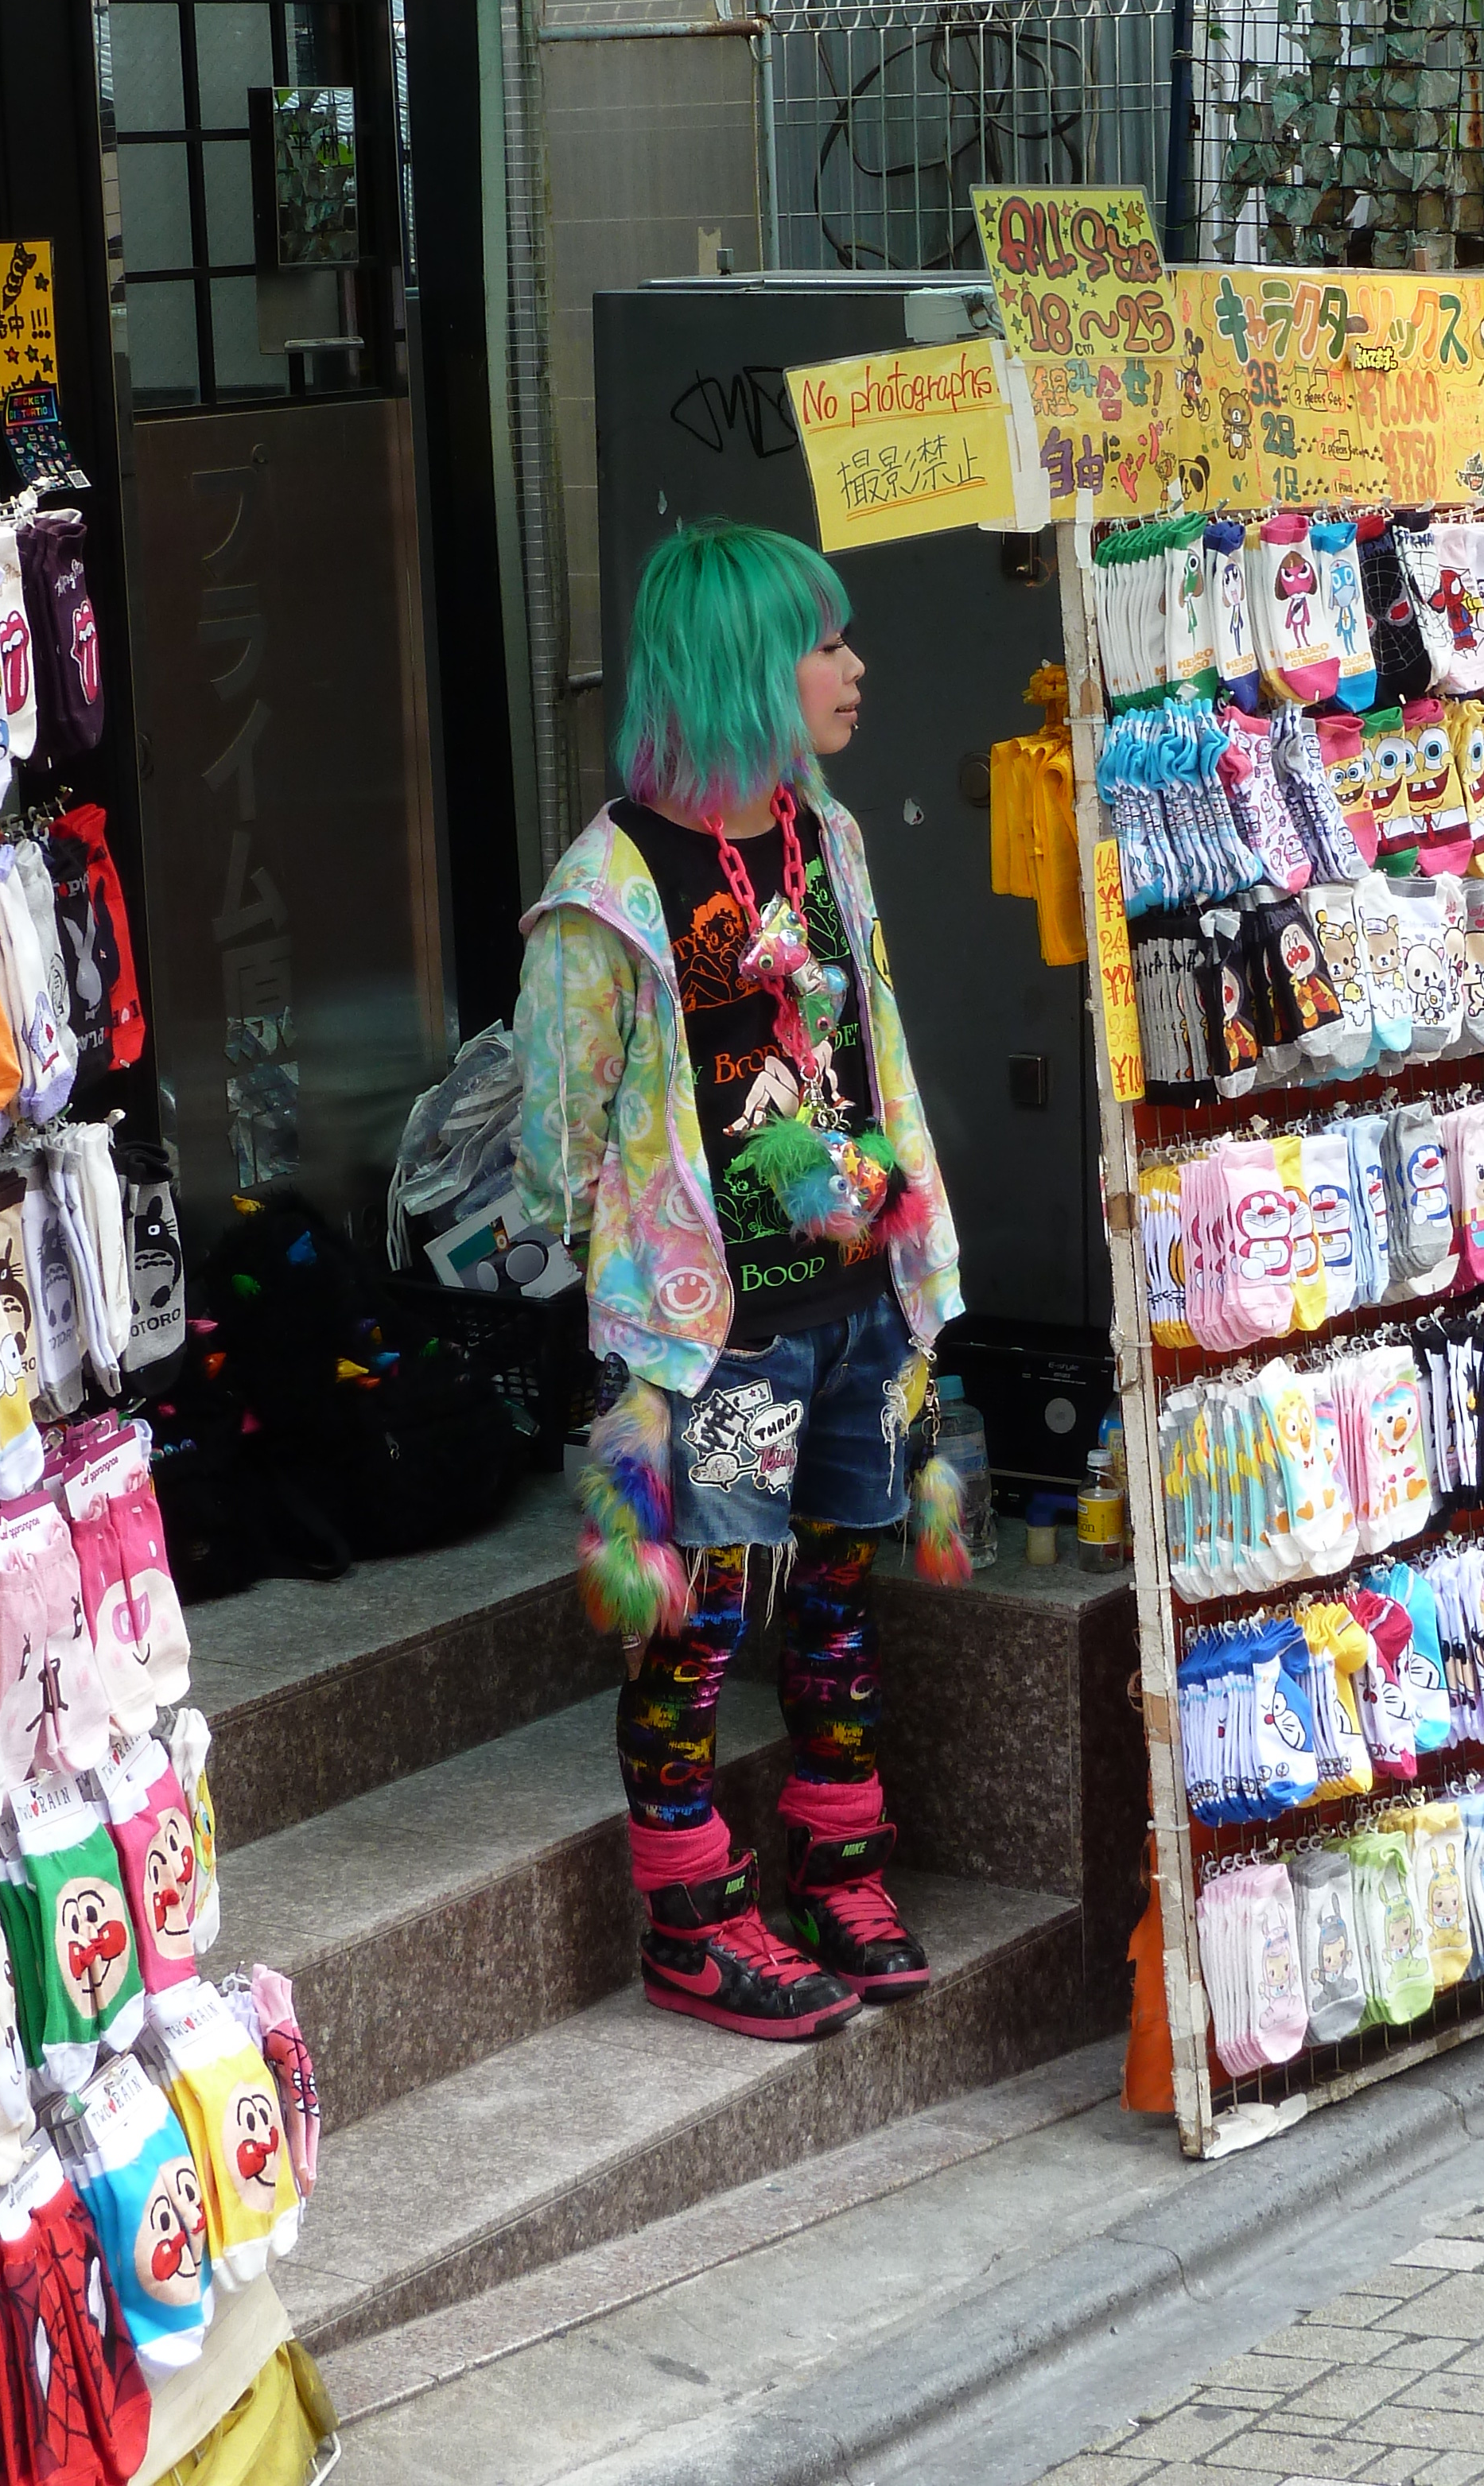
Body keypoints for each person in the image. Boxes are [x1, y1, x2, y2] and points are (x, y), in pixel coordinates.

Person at [515, 522, 961, 2042]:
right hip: (715, 1342)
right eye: (820, 645)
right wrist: (642, 1263)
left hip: (853, 1308)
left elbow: (871, 1053)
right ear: (736, 671)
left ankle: (840, 1859)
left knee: (837, 1591)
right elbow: (555, 1136)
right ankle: (690, 1915)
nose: (853, 668)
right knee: (695, 1624)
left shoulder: (819, 836)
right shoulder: (609, 886)